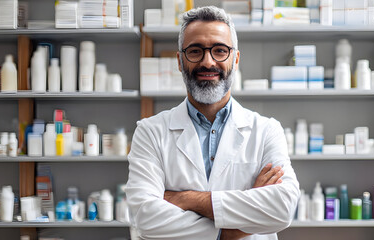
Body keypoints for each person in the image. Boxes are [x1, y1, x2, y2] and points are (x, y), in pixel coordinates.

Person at [126, 6, 300, 240]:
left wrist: (187, 199)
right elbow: (145, 217)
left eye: (220, 50)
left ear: (235, 59)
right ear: (180, 61)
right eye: (196, 51)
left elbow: (282, 208)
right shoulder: (150, 132)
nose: (208, 62)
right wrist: (231, 230)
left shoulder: (267, 130)